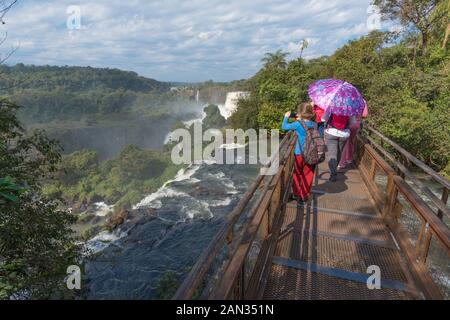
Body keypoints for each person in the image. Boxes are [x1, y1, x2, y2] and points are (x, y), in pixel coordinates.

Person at [282, 102, 316, 203]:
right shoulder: (314, 124)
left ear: (300, 112)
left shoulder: (297, 124)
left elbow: (284, 126)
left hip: (299, 153)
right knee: (308, 174)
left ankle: (296, 194)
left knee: (297, 173)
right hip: (311, 153)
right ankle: (303, 196)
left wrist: (286, 117)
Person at [321, 108, 356, 182]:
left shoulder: (331, 106)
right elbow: (353, 123)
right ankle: (335, 169)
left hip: (331, 132)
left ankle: (333, 174)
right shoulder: (349, 109)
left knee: (331, 155)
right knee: (339, 152)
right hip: (344, 134)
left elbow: (323, 119)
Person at [338, 101, 369, 169]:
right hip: (356, 123)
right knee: (351, 141)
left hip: (346, 122)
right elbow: (365, 115)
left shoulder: (347, 99)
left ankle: (342, 162)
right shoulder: (362, 101)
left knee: (344, 142)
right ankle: (349, 159)